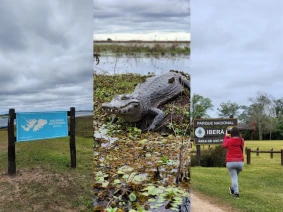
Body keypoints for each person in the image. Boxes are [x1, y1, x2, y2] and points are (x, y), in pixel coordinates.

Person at [222, 126, 244, 198]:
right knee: (235, 177)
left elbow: (224, 145)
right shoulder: (241, 140)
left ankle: (236, 193)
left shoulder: (229, 140)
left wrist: (226, 136)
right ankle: (232, 188)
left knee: (234, 177)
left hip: (231, 162)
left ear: (231, 133)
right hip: (240, 162)